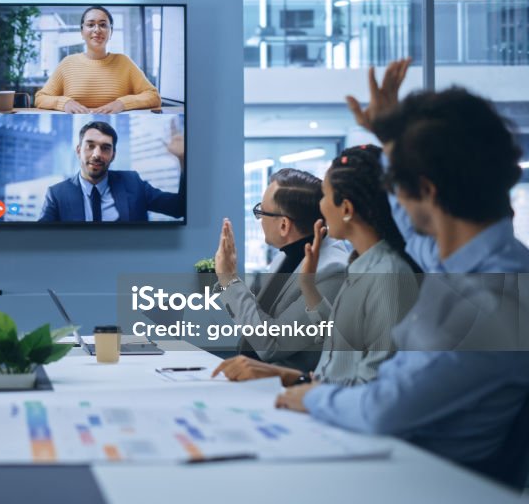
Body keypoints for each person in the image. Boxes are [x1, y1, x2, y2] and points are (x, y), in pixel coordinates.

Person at [275, 59, 529, 478]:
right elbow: (414, 231)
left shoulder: (490, 304)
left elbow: (383, 409)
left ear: (426, 191)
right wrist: (392, 138)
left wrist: (309, 396)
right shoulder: (473, 259)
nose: (390, 195)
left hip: (420, 480)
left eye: (396, 184)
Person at [215, 146, 420, 386]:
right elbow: (334, 358)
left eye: (324, 196)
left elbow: (371, 384)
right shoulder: (356, 265)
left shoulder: (379, 273)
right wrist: (310, 290)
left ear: (345, 209)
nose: (318, 208)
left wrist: (229, 280)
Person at [213, 168, 350, 373]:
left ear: (284, 225)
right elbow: (257, 322)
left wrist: (229, 280)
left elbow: (272, 343)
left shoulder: (332, 270)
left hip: (288, 389)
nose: (259, 219)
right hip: (251, 377)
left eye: (261, 212)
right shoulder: (283, 256)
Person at [38, 120, 184, 222]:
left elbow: (179, 208)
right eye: (90, 146)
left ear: (113, 155)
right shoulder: (57, 194)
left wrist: (183, 159)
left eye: (105, 148)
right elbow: (40, 239)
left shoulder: (133, 183)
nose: (97, 154)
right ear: (78, 150)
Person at [34, 6, 161, 113]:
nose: (97, 30)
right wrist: (64, 103)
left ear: (110, 32)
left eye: (103, 25)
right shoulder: (67, 63)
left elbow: (153, 96)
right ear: (82, 32)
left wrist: (122, 104)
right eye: (90, 24)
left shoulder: (124, 62)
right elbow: (40, 98)